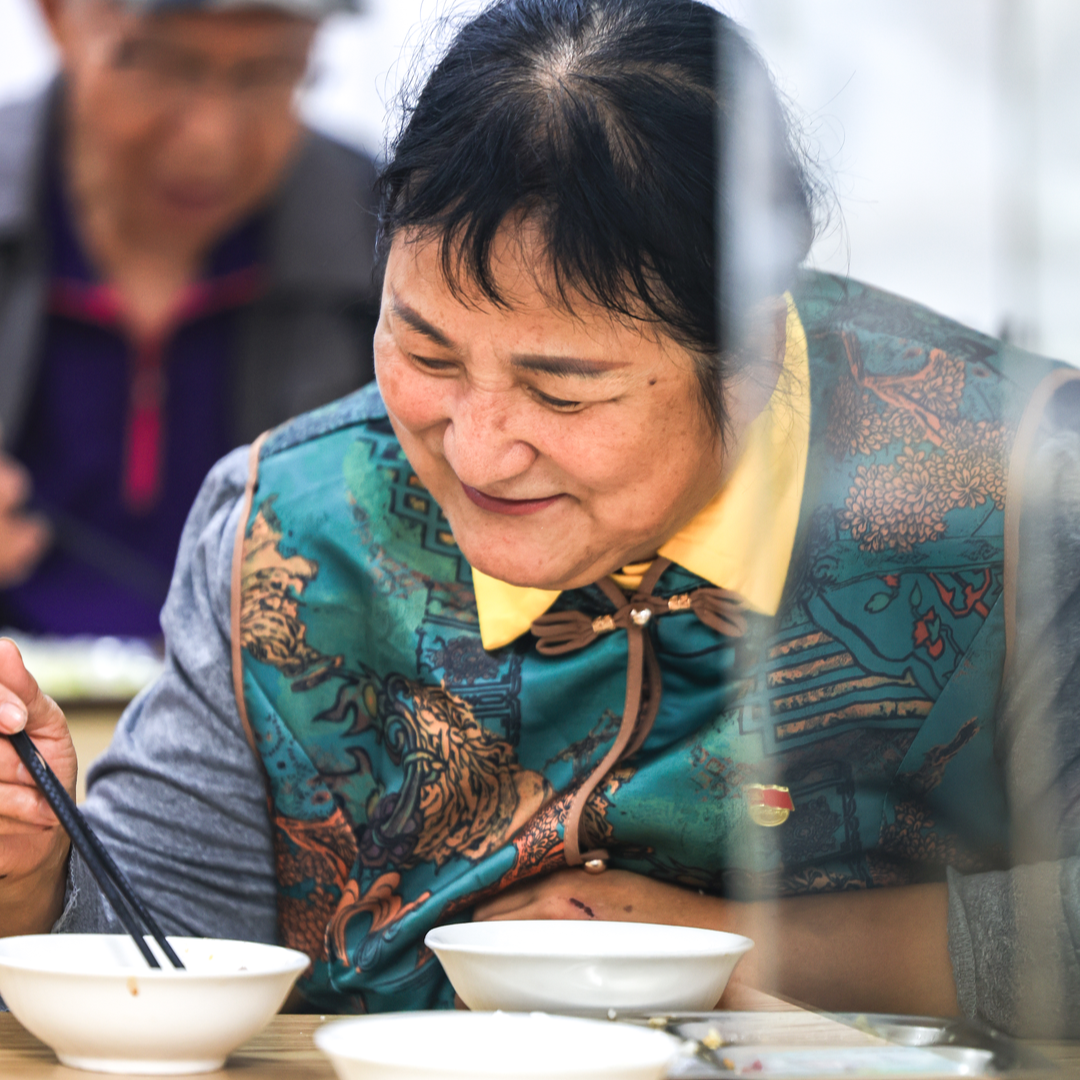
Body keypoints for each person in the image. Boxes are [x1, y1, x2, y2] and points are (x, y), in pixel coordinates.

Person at [2, 0, 1080, 1036]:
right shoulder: (287, 531)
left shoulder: (1020, 494)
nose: (476, 448)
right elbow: (161, 954)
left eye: (562, 389)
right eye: (424, 353)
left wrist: (726, 947)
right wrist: (33, 874)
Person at [0, 0, 380, 637]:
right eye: (162, 64)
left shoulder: (397, 248)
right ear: (58, 18)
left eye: (268, 72)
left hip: (279, 717)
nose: (211, 136)